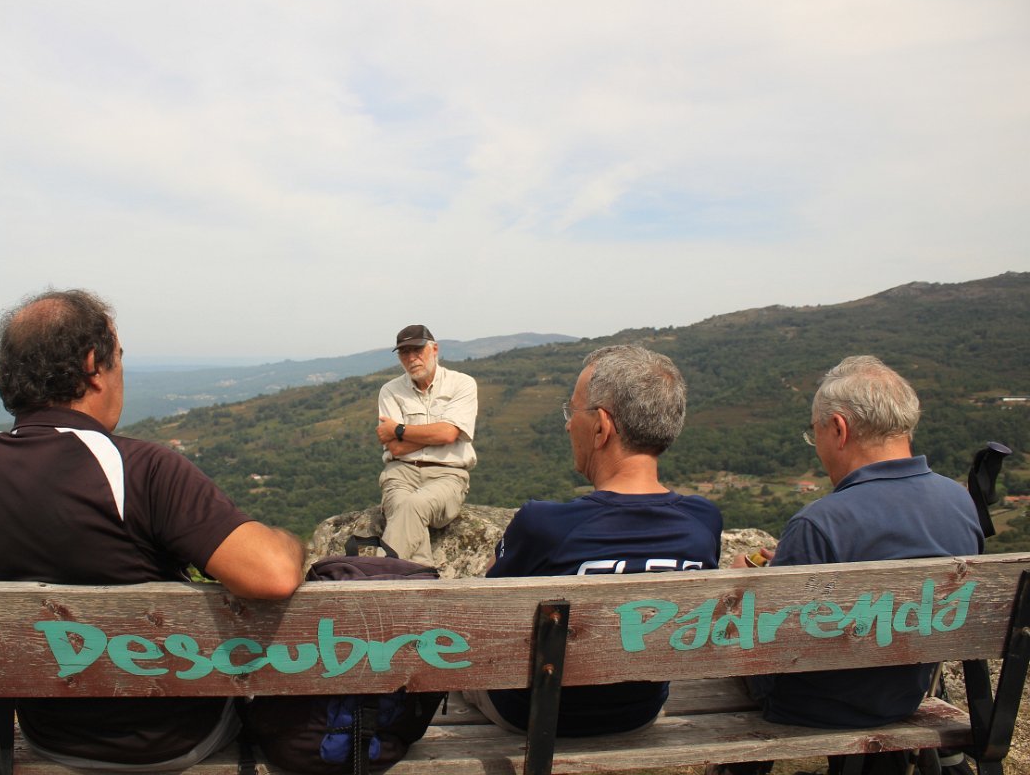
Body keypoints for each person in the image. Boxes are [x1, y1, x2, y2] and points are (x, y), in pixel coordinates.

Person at [0, 289, 306, 770]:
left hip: (50, 736)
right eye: (118, 357)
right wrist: (291, 542)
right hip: (174, 737)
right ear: (93, 365)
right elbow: (274, 574)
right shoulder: (137, 468)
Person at [719, 355, 985, 775]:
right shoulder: (959, 503)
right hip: (907, 694)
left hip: (812, 705)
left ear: (839, 429)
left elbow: (774, 647)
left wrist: (743, 587)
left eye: (816, 433)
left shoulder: (820, 523)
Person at [476, 345, 722, 736]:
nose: (567, 425)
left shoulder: (544, 525)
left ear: (601, 426)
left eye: (572, 411)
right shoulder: (703, 522)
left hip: (531, 713)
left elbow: (487, 615)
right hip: (638, 712)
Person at [375, 324, 478, 566]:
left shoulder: (462, 384)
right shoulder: (390, 391)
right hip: (400, 473)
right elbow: (396, 448)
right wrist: (436, 434)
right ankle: (423, 576)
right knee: (403, 506)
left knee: (413, 505)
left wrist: (399, 430)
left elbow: (449, 434)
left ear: (434, 349)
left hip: (448, 475)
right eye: (404, 352)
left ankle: (377, 575)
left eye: (417, 350)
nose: (412, 358)